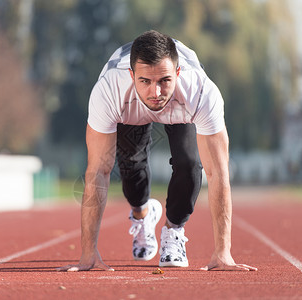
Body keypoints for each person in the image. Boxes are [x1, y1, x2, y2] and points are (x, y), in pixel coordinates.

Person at [57, 30, 257, 272]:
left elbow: (218, 173)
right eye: (145, 81)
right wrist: (88, 254)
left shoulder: (200, 91)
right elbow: (98, 171)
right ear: (131, 76)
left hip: (181, 106)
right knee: (130, 165)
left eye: (164, 80)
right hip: (130, 107)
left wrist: (223, 252)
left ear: (178, 73)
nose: (156, 92)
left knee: (190, 164)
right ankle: (142, 214)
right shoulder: (109, 90)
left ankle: (173, 231)